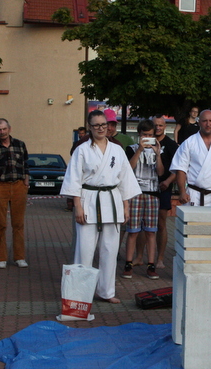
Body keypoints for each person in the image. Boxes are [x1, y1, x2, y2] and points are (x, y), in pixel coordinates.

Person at [60, 110, 140, 304]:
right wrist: (77, 206)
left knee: (110, 249)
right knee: (85, 250)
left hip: (112, 199)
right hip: (89, 198)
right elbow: (74, 179)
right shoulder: (82, 149)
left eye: (103, 125)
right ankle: (80, 295)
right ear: (90, 127)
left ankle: (106, 291)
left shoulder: (117, 150)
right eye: (96, 125)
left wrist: (126, 206)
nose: (101, 128)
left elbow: (125, 179)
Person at [171, 109, 211, 283]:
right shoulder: (190, 142)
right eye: (204, 121)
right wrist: (182, 191)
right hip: (193, 193)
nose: (208, 124)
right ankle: (190, 269)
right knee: (192, 233)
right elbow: (180, 168)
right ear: (199, 122)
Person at [122, 120, 163, 280]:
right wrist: (139, 150)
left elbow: (160, 172)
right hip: (135, 193)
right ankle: (128, 263)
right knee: (133, 231)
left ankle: (151, 265)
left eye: (150, 135)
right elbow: (128, 169)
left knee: (151, 231)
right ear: (139, 135)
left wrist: (158, 154)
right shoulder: (131, 149)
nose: (147, 138)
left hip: (152, 193)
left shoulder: (158, 150)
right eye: (145, 135)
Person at [0, 118, 30, 269]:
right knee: (0, 224)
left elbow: (26, 164)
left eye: (4, 129)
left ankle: (19, 257)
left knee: (18, 224)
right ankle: (1, 258)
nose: (2, 132)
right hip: (0, 186)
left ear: (9, 129)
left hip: (18, 185)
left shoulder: (20, 144)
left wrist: (26, 181)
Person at [153, 115, 179, 268]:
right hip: (147, 188)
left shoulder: (170, 145)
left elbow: (178, 168)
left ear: (165, 127)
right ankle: (141, 256)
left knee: (161, 224)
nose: (158, 128)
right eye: (155, 125)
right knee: (144, 224)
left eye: (160, 125)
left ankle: (160, 258)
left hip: (164, 187)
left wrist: (168, 181)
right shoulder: (146, 142)